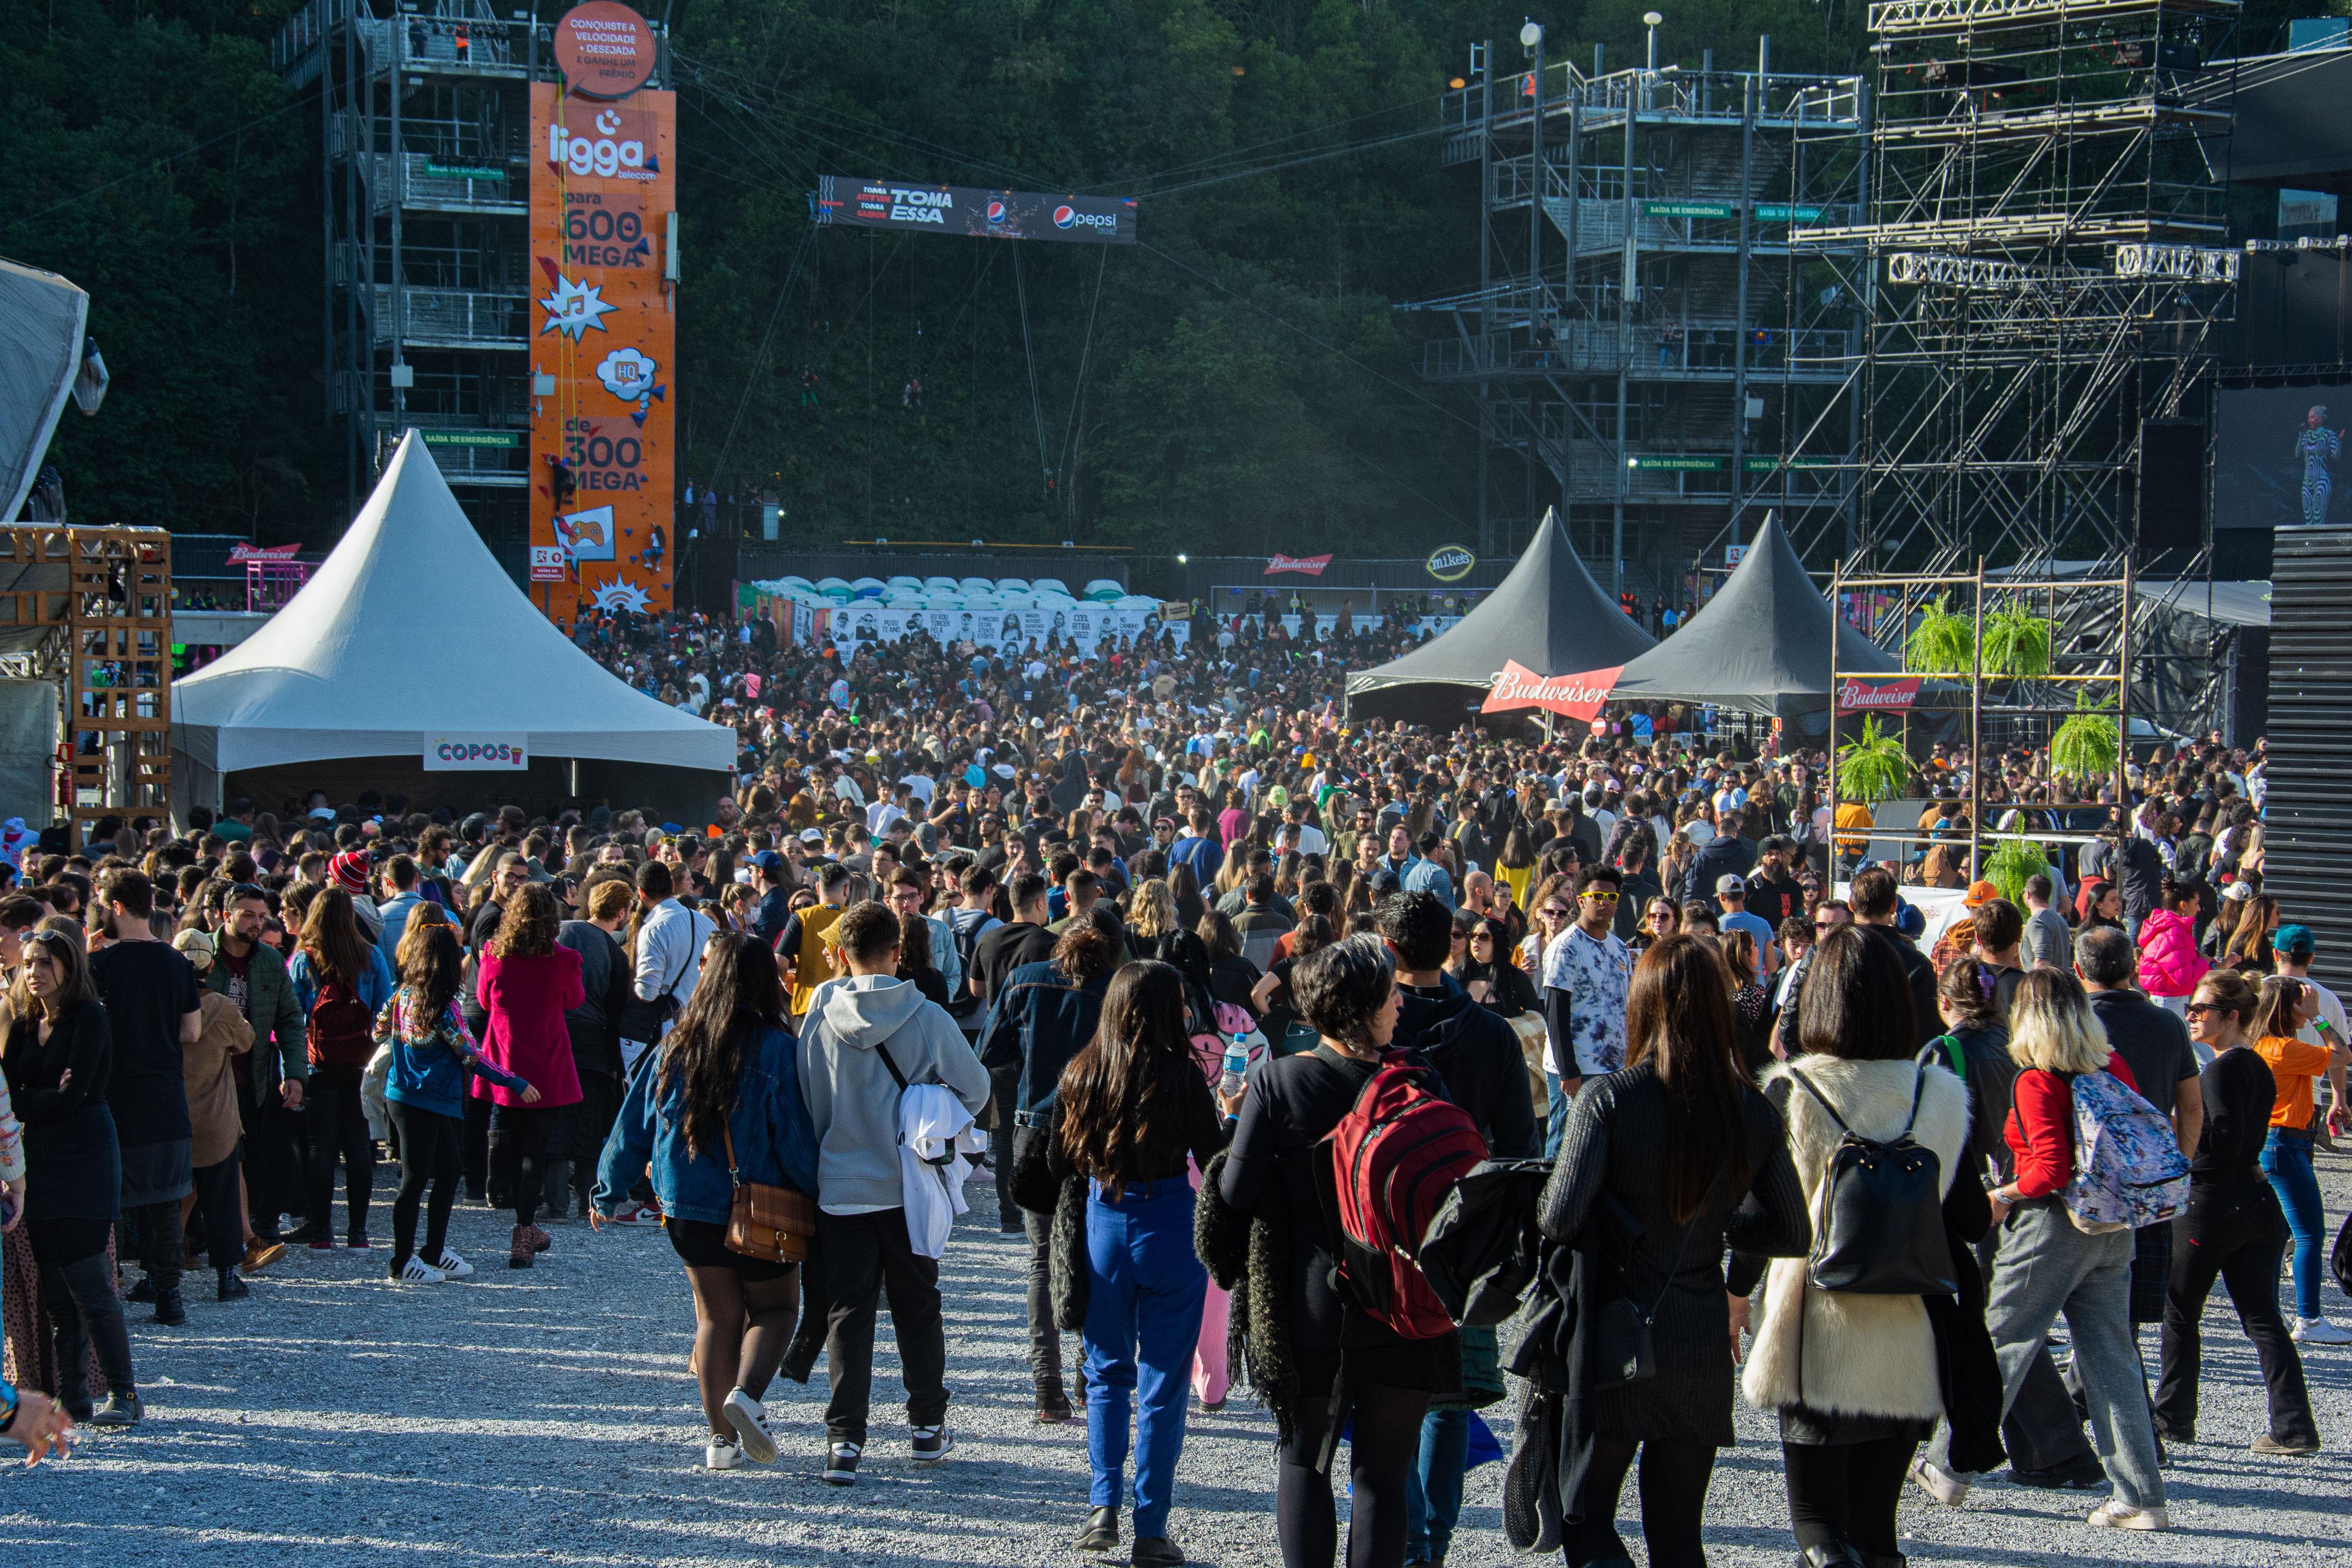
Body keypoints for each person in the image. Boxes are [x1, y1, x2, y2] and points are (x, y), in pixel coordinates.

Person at [1525, 933, 1807, 1568]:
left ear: (1643, 1004)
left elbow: (1560, 1218)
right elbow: (1792, 1231)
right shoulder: (1752, 1112)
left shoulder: (1612, 1099)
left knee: (1587, 1519)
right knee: (1679, 1535)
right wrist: (1716, 1232)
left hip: (1615, 1328)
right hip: (1698, 1328)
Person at [1739, 925, 1987, 1568]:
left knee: (1818, 1524)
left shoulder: (1791, 1088)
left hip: (1814, 1326)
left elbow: (1763, 1219)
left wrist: (1735, 1292)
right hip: (1913, 1325)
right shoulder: (1942, 1093)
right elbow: (1968, 1219)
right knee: (1879, 1529)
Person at [1215, 934, 1452, 1568]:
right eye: (1388, 995)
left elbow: (1235, 1195)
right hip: (1403, 1302)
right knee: (1382, 1479)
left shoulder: (1278, 1083)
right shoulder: (1419, 1080)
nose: (1399, 1004)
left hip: (1312, 1300)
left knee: (1303, 1458)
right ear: (1359, 1008)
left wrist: (1233, 1125)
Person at [1913, 970, 2170, 1532]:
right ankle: (2140, 1495)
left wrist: (2000, 1194)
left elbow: (2050, 1169)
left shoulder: (2036, 1079)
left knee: (2003, 1338)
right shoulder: (2111, 1066)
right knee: (2113, 1358)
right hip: (2112, 1225)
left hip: (2052, 1228)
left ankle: (1948, 1465)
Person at [594, 932, 821, 1471]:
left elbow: (632, 1126)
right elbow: (793, 1136)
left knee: (716, 1316)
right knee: (776, 1307)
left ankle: (720, 1442)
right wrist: (821, 1193)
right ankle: (746, 1396)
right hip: (758, 1205)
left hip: (685, 1205)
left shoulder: (674, 1044)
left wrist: (608, 1189)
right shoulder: (779, 1049)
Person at [797, 901, 991, 1484]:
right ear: (897, 951)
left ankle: (844, 1441)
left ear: (841, 954)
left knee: (847, 1313)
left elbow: (807, 1100)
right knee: (917, 1307)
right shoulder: (926, 1016)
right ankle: (927, 1427)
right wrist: (930, 1113)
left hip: (840, 1183)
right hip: (909, 1187)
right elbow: (977, 1089)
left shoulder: (817, 1015)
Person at [1053, 962, 1230, 1566]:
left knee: (1105, 1372)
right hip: (1170, 1222)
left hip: (1106, 1217)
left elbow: (1059, 1158)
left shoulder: (1082, 1073)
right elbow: (1215, 1160)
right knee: (1163, 1382)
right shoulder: (1182, 1077)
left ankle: (1103, 1505)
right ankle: (1150, 1524)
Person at [1382, 892, 1538, 1567]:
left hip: (1382, 1226)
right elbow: (1520, 1145)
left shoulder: (1371, 1027)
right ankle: (1430, 1546)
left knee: (1391, 1394)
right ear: (1449, 945)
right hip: (1468, 1229)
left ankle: (1411, 1534)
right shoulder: (1490, 1033)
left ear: (1386, 950)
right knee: (1448, 1394)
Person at [2155, 970, 2321, 1454]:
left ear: (2231, 1016)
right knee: (2263, 1316)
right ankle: (2294, 1427)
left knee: (2181, 1310)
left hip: (2214, 1202)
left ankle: (2174, 1419)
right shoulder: (2256, 1065)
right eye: (2191, 1008)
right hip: (2254, 1198)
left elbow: (2222, 1139)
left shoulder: (2221, 1069)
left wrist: (2177, 1130)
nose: (2192, 1016)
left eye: (2201, 1009)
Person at [978, 918, 1121, 1420]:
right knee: (1099, 1250)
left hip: (1035, 1125)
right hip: (1099, 1129)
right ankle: (1090, 1373)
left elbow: (988, 1051)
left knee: (1042, 1258)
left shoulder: (1026, 979)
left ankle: (1048, 1384)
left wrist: (1031, 1056)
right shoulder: (1115, 989)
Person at [1, 929, 142, 1426]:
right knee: (56, 1291)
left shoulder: (90, 1017)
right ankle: (73, 1396)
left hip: (84, 1158)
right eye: (30, 962)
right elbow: (10, 1094)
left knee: (91, 1282)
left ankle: (124, 1392)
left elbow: (72, 1096)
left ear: (69, 968)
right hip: (36, 1162)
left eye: (46, 962)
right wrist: (42, 1094)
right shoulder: (22, 1025)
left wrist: (33, 1095)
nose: (34, 971)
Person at [375, 920, 535, 1283]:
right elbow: (471, 1055)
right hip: (427, 1099)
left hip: (404, 1093)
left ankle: (433, 1250)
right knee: (416, 1180)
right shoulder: (444, 1006)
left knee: (448, 1170)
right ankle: (402, 1262)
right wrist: (514, 1081)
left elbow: (379, 1027)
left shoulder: (402, 994)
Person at [88, 870, 201, 1323]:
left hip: (112, 1096)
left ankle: (109, 1292)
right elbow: (191, 1030)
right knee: (164, 1202)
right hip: (163, 1093)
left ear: (115, 906)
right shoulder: (176, 963)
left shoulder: (99, 966)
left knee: (108, 1201)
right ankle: (169, 1293)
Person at [476, 882, 585, 1269]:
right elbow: (574, 1000)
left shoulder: (493, 954)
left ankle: (521, 1221)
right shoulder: (565, 958)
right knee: (535, 1152)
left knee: (510, 1139)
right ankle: (524, 1232)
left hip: (504, 1057)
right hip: (546, 1059)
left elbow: (484, 1001)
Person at [289, 885, 395, 1252]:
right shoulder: (370, 956)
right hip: (360, 1063)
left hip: (318, 1064)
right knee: (359, 1146)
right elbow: (385, 1012)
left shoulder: (305, 960)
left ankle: (320, 1231)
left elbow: (292, 1016)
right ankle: (359, 1233)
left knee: (321, 1148)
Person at [2248, 974, 2352, 1343]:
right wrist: (2319, 1019)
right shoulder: (2284, 1049)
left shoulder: (2259, 1043)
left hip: (2271, 1142)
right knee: (2310, 1234)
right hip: (2286, 1145)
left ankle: (2269, 1313)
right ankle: (2309, 1319)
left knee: (2276, 1234)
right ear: (2290, 1008)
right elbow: (2343, 1054)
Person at [206, 884, 307, 1255]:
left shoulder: (268, 959)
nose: (255, 923)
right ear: (225, 914)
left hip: (254, 1075)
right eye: (247, 914)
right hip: (207, 1078)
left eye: (261, 916)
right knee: (210, 1158)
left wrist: (296, 1072)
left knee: (251, 1158)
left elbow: (290, 1020)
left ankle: (251, 1231)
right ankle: (204, 1238)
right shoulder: (202, 952)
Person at [171, 930, 255, 1303]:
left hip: (172, 1117)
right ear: (209, 964)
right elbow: (246, 1040)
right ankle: (226, 1276)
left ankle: (161, 1275)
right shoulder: (221, 1006)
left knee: (167, 1200)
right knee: (220, 1199)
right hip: (216, 1120)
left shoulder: (162, 1005)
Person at [554, 878, 634, 1223]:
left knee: (555, 1117)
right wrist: (616, 1062)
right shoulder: (616, 954)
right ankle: (589, 1201)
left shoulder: (562, 932)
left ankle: (554, 1201)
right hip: (594, 1042)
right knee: (588, 1123)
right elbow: (618, 1013)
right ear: (622, 912)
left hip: (556, 1035)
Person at [1538, 865, 1632, 1156]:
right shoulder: (1566, 947)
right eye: (1598, 896)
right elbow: (1555, 1012)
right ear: (1581, 900)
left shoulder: (1619, 948)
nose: (1605, 902)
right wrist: (1568, 1070)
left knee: (1606, 1145)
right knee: (1566, 1143)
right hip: (1576, 1069)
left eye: (1612, 897)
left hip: (1614, 1066)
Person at [2021, 874, 2071, 970]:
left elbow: (2042, 961)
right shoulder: (2060, 920)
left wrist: (2036, 985)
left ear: (2027, 894)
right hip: (2060, 982)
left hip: (2043, 983)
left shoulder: (2038, 922)